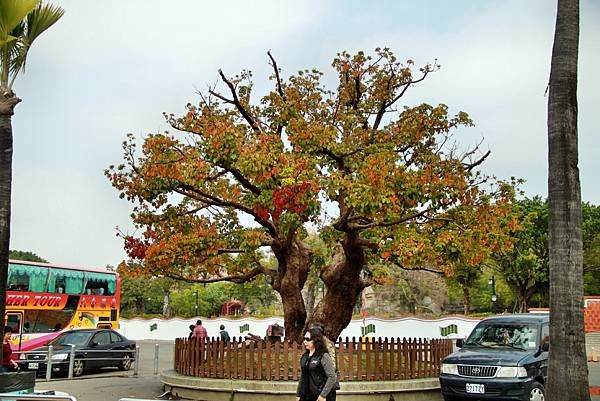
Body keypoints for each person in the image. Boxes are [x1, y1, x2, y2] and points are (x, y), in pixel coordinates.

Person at [296, 328, 338, 401]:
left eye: (307, 339)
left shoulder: (324, 356)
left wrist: (323, 395)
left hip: (321, 397)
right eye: (304, 339)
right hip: (307, 396)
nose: (304, 341)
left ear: (315, 340)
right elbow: (303, 376)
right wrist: (299, 394)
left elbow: (332, 377)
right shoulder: (305, 357)